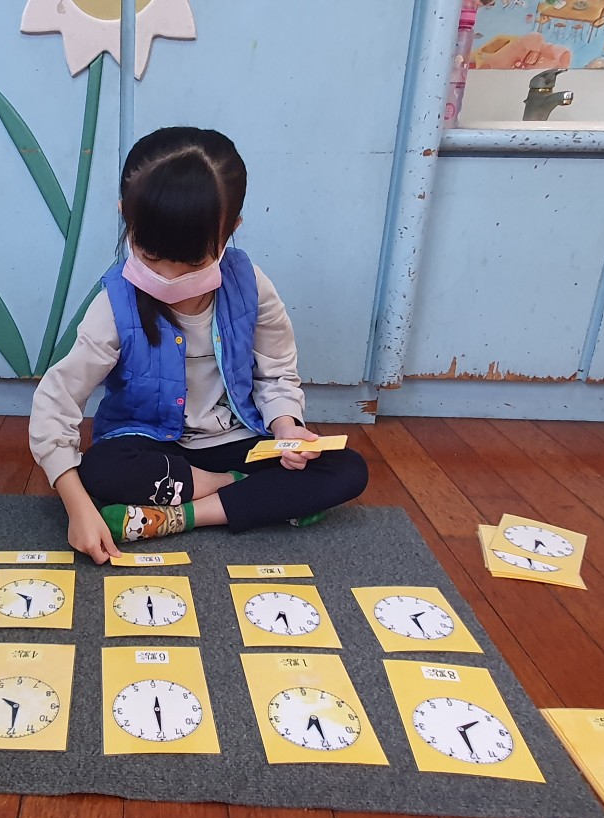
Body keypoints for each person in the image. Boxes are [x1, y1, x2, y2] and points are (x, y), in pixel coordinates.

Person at [29, 127, 369, 564]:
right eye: (152, 257)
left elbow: (276, 372)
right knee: (100, 471)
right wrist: (77, 507)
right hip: (153, 446)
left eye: (192, 263)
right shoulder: (114, 304)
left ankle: (184, 515)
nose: (169, 278)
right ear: (125, 216)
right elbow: (56, 402)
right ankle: (246, 494)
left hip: (237, 441)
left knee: (346, 468)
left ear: (231, 230)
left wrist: (287, 428)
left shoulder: (251, 285)